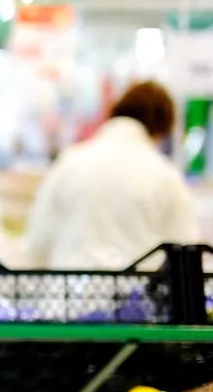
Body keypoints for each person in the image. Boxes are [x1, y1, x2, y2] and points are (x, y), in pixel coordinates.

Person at [24, 80, 198, 270]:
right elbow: (185, 252)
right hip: (139, 296)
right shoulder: (165, 175)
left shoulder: (69, 163)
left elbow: (38, 241)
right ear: (160, 130)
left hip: (69, 294)